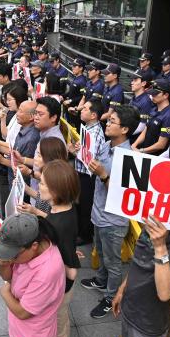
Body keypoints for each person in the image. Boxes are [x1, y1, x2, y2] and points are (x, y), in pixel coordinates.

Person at [17, 160, 81, 337]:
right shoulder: (62, 210)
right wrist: (36, 211)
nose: (39, 186)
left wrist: (62, 288)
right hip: (63, 277)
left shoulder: (58, 223)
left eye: (42, 183)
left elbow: (60, 240)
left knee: (61, 328)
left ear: (55, 191)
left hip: (63, 284)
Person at [83, 106, 140, 318]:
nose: (107, 123)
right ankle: (100, 280)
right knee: (100, 251)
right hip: (98, 212)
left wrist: (104, 175)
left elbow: (125, 196)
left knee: (113, 261)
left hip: (113, 220)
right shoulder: (107, 145)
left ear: (124, 129)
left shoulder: (131, 158)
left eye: (112, 121)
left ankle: (111, 296)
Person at [68, 99, 105, 246]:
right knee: (79, 203)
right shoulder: (89, 128)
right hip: (81, 173)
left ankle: (85, 235)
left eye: (85, 109)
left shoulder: (95, 132)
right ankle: (80, 231)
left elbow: (91, 159)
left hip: (88, 176)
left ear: (94, 115)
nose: (81, 110)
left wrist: (73, 151)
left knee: (85, 205)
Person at [133, 79, 170, 155]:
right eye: (152, 93)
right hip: (144, 151)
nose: (152, 96)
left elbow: (161, 144)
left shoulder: (169, 116)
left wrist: (141, 151)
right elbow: (145, 130)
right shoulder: (154, 109)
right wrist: (134, 145)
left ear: (166, 95)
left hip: (155, 157)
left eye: (155, 94)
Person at [128, 69, 155, 140]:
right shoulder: (135, 96)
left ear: (143, 83)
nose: (132, 83)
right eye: (132, 80)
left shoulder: (146, 101)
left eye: (135, 80)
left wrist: (126, 133)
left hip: (134, 137)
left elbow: (143, 125)